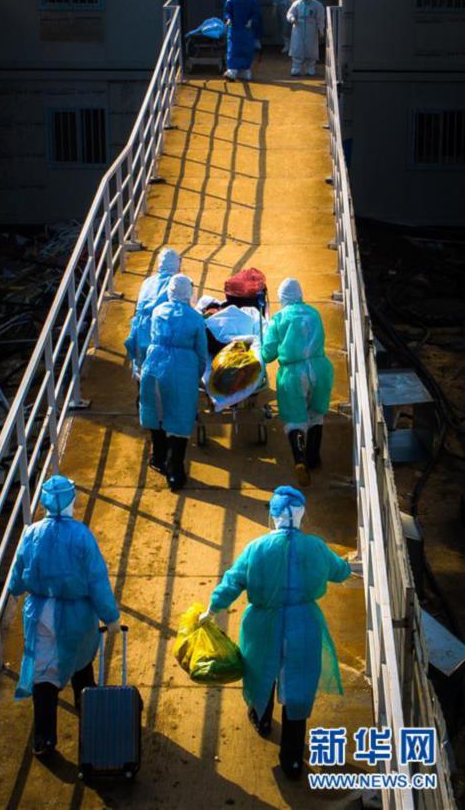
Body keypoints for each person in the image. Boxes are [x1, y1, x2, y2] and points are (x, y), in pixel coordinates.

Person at [199, 486, 351, 779]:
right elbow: (339, 571)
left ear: (273, 516)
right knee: (299, 685)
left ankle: (262, 718)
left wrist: (213, 607)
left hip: (262, 625)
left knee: (261, 671)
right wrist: (349, 566)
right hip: (303, 624)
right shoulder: (316, 547)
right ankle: (292, 760)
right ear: (302, 515)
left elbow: (232, 581)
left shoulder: (256, 549)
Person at [9, 475, 120, 756]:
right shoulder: (82, 535)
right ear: (72, 501)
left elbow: (17, 578)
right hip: (76, 616)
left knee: (44, 676)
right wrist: (111, 617)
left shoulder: (31, 533)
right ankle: (93, 725)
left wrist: (15, 588)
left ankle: (44, 740)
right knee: (82, 667)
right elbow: (97, 581)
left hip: (39, 614)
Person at [261, 278, 333, 486]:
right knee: (316, 413)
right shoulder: (314, 313)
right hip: (319, 368)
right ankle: (313, 458)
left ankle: (299, 458)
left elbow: (268, 354)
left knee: (295, 418)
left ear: (281, 298)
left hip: (293, 372)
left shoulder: (279, 318)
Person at [139, 274, 208, 490]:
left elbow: (151, 337)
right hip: (183, 368)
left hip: (155, 363)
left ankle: (158, 457)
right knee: (180, 418)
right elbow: (202, 352)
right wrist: (195, 376)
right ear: (189, 293)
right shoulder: (196, 318)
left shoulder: (158, 311)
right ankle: (175, 471)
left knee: (156, 412)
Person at [125, 248, 181, 378]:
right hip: (160, 328)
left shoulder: (147, 282)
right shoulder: (175, 282)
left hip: (140, 327)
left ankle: (141, 393)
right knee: (161, 369)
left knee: (142, 367)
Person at [223, 0, 262, 82]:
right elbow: (227, 12)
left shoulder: (251, 0)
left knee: (247, 49)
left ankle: (245, 70)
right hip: (235, 29)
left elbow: (256, 14)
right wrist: (228, 19)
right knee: (233, 49)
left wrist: (251, 21)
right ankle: (232, 70)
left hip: (247, 30)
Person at [286, 0, 325, 77]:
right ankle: (296, 67)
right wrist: (292, 18)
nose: (305, 0)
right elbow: (290, 13)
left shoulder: (317, 5)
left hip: (311, 29)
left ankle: (310, 67)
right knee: (297, 47)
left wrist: (321, 29)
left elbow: (320, 18)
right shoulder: (296, 4)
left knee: (311, 48)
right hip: (298, 28)